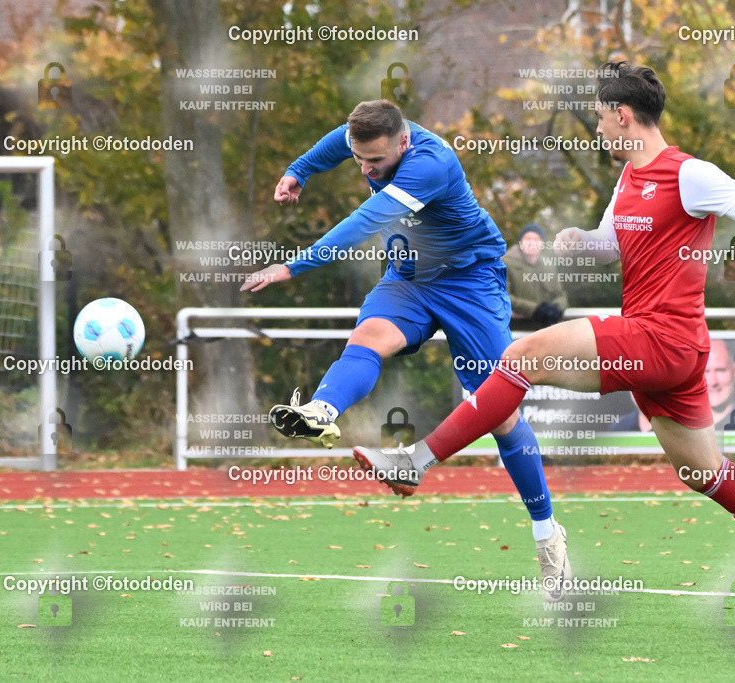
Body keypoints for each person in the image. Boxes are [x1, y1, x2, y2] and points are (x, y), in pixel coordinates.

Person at [353, 63, 735, 628]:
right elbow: (613, 243)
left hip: (661, 339)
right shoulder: (627, 179)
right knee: (704, 473)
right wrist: (582, 241)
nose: (596, 128)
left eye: (599, 117)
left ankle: (417, 461)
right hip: (667, 350)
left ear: (623, 116)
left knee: (520, 360)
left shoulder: (690, 175)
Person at [240, 100, 571, 599]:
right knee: (367, 338)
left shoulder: (430, 164)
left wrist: (293, 266)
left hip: (470, 282)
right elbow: (335, 145)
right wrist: (298, 171)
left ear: (403, 141)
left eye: (375, 161)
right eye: (360, 160)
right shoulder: (368, 136)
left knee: (501, 415)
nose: (366, 170)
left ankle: (547, 532)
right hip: (410, 278)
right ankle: (321, 410)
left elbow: (364, 221)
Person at [502, 223, 568, 328]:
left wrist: (557, 308)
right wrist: (535, 310)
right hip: (516, 328)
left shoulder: (548, 266)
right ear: (521, 242)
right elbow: (503, 296)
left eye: (536, 239)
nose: (532, 243)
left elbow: (560, 295)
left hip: (546, 328)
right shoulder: (505, 264)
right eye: (528, 239)